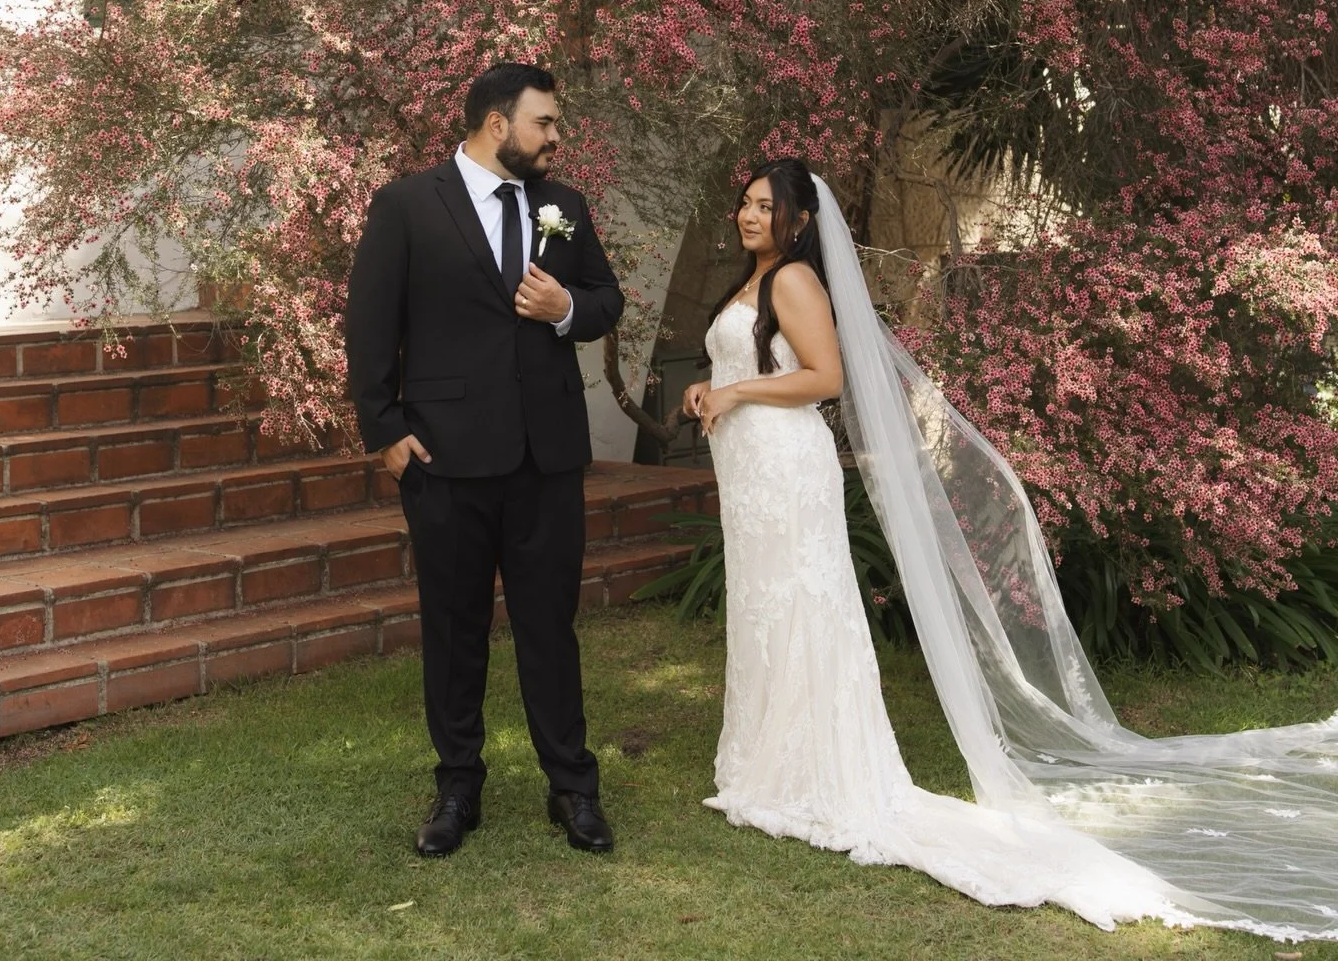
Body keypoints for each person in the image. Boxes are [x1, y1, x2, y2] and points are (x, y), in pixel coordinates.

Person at [684, 156, 1338, 940]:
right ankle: (763, 761)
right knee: (763, 606)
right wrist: (709, 388)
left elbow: (825, 378)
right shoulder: (752, 281)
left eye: (764, 206)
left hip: (787, 470)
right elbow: (750, 362)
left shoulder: (793, 280)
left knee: (799, 605)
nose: (748, 215)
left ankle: (812, 768)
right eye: (745, 203)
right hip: (750, 472)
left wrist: (737, 391)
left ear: (796, 221)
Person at [345, 63, 624, 859]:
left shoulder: (564, 206)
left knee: (550, 627)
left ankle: (572, 788)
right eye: (545, 123)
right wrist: (385, 430)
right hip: (444, 459)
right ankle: (457, 787)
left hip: (547, 457)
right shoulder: (407, 204)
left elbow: (606, 299)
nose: (556, 137)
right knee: (454, 628)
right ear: (498, 124)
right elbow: (370, 323)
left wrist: (565, 309)